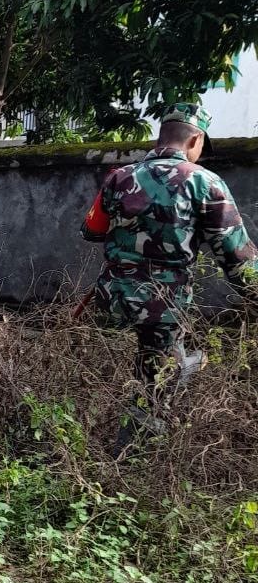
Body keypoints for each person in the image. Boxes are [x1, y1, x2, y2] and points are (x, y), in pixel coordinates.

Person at [81, 102, 258, 445]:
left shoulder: (119, 177)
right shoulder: (205, 182)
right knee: (154, 387)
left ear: (161, 136)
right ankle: (129, 455)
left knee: (127, 368)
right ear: (195, 140)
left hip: (112, 299)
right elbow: (238, 261)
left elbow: (90, 231)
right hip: (162, 306)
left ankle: (177, 371)